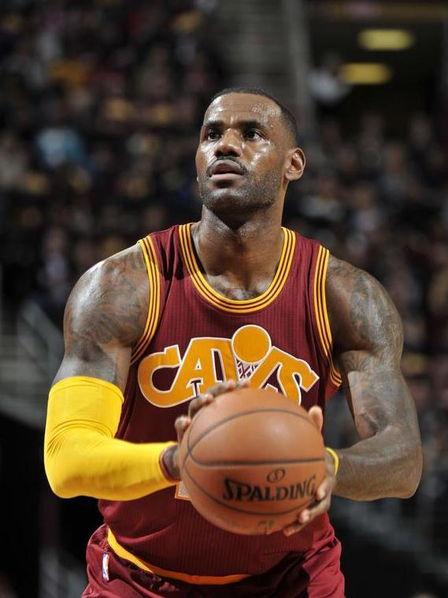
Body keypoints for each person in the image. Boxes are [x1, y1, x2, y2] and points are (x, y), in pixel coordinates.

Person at [44, 88, 423, 597]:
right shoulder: (122, 286)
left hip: (290, 577)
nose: (225, 145)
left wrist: (325, 468)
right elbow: (66, 459)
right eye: (211, 134)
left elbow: (403, 459)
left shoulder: (344, 295)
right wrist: (181, 461)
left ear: (293, 165)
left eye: (251, 133)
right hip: (141, 576)